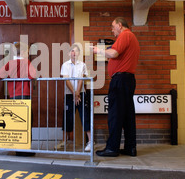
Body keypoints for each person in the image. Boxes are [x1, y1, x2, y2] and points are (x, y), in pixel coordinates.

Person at [91, 17, 140, 157]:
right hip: (128, 80)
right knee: (127, 116)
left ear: (120, 25)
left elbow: (113, 53)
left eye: (113, 27)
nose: (112, 30)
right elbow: (117, 56)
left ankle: (112, 148)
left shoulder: (125, 35)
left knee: (115, 114)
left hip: (120, 80)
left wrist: (97, 50)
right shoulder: (132, 37)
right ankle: (131, 147)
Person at [57, 44, 93, 151]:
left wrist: (77, 93)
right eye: (72, 51)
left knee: (85, 116)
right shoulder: (65, 65)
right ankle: (64, 141)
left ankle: (90, 141)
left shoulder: (82, 65)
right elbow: (66, 80)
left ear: (78, 53)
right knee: (67, 117)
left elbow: (81, 79)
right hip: (69, 94)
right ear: (69, 53)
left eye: (76, 51)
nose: (74, 53)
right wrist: (74, 93)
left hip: (81, 94)